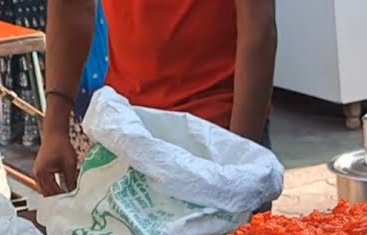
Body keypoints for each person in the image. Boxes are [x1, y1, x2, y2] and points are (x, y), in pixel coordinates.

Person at [34, 0, 277, 197]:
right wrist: (55, 128)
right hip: (125, 134)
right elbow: (71, 6)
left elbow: (258, 29)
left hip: (213, 136)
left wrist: (238, 161)